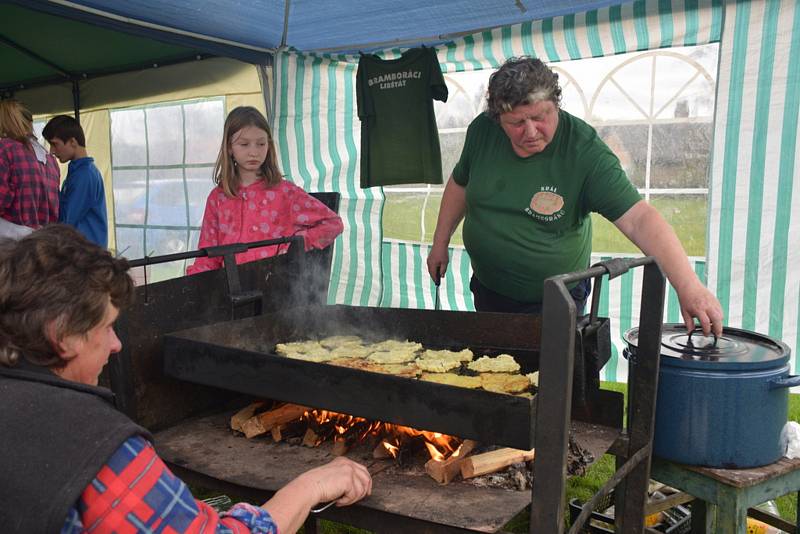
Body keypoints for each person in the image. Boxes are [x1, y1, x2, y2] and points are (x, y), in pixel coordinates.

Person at [0, 225, 372, 534]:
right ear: (61, 334)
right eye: (107, 327)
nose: (116, 345)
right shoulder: (95, 449)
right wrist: (311, 486)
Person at [426, 57, 723, 336]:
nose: (530, 131)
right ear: (498, 118)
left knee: (548, 383)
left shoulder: (585, 153)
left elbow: (639, 219)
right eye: (517, 123)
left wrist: (689, 286)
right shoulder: (482, 131)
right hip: (489, 289)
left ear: (556, 104)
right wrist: (439, 243)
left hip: (555, 300)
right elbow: (460, 184)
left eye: (540, 117)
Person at [188, 106, 343, 274]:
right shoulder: (217, 198)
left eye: (260, 144)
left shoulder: (285, 193)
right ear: (229, 148)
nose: (253, 152)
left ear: (268, 146)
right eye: (244, 144)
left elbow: (333, 223)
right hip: (231, 289)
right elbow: (208, 257)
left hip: (275, 287)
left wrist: (297, 243)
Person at [42, 114, 108, 247]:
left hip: (87, 257)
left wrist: (49, 188)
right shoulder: (79, 172)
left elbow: (66, 223)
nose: (52, 151)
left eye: (55, 144)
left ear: (73, 142)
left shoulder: (85, 175)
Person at [0, 99, 59, 231]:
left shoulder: (4, 149)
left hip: (12, 245)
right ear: (29, 123)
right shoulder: (50, 159)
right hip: (45, 244)